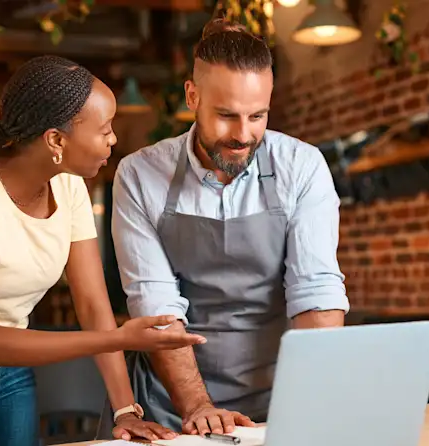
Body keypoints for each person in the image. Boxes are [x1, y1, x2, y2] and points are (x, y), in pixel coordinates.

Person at [0, 55, 206, 446]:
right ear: (56, 140)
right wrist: (120, 339)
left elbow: (94, 305)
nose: (114, 139)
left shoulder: (68, 188)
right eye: (104, 129)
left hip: (10, 367)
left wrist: (125, 410)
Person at [111, 19, 350, 436]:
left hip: (282, 394)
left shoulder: (303, 165)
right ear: (192, 96)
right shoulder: (140, 174)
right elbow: (157, 307)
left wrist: (311, 398)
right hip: (175, 406)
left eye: (258, 116)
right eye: (226, 116)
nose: (243, 135)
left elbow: (316, 292)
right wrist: (199, 406)